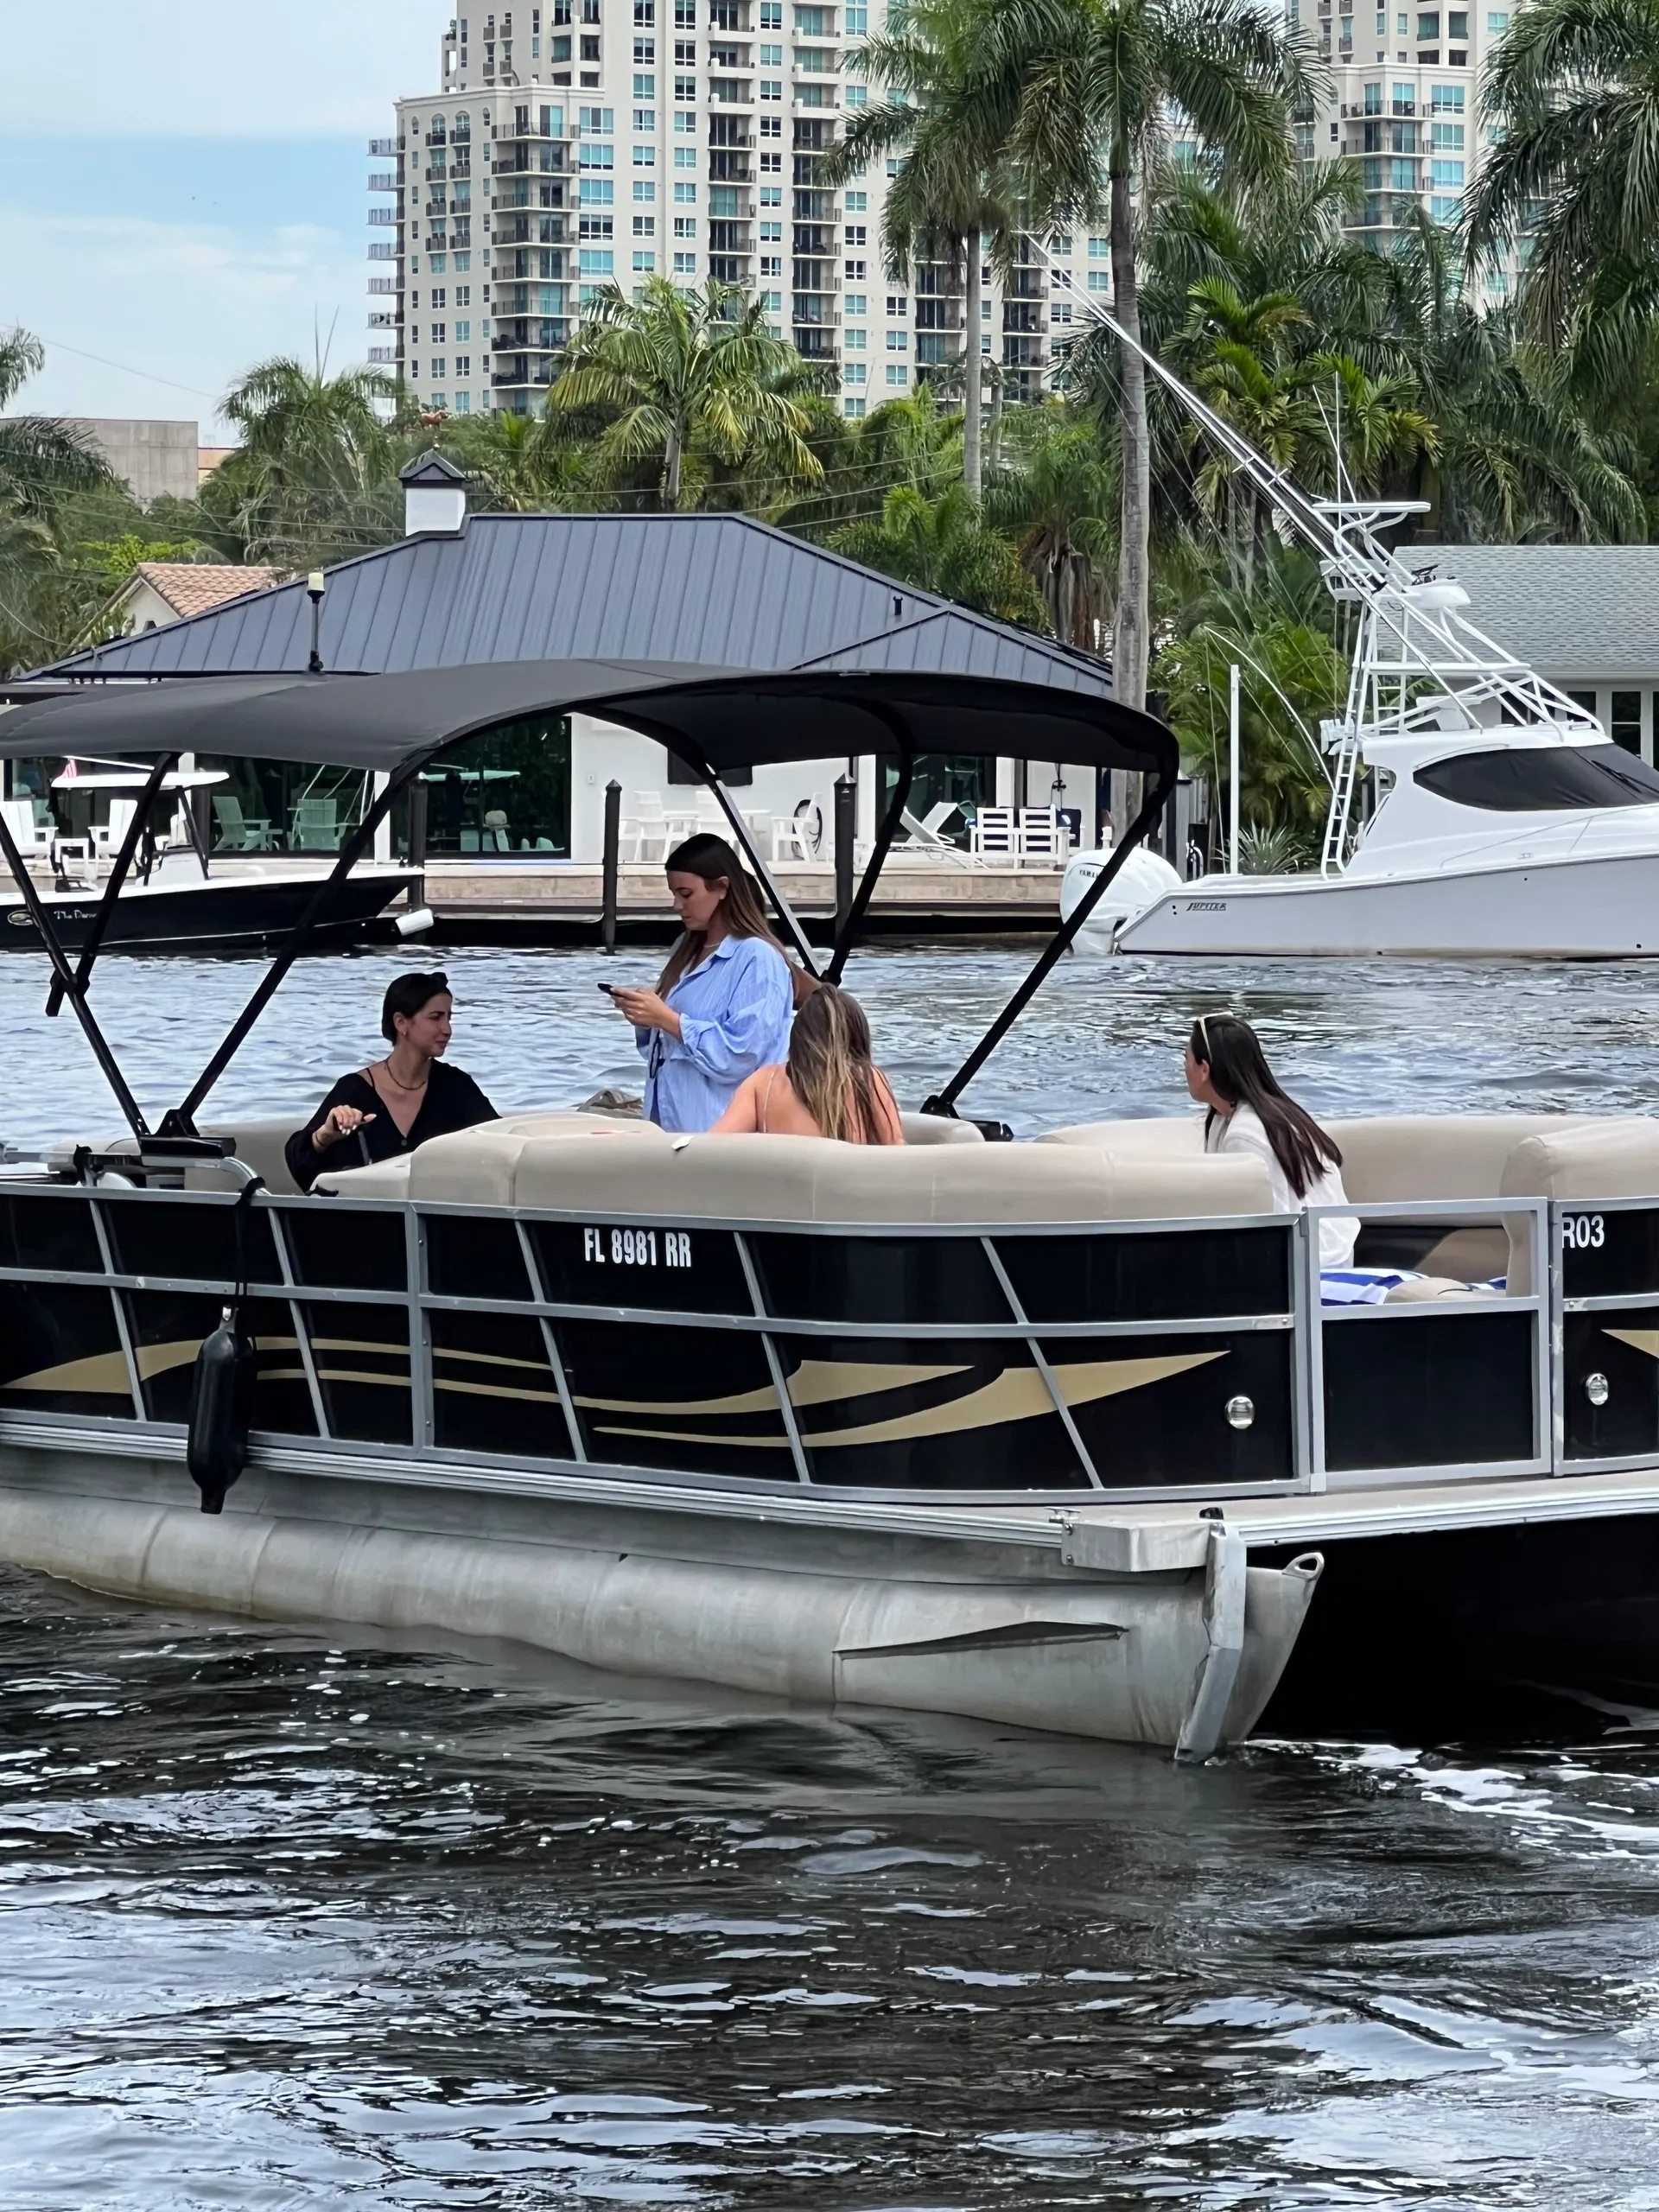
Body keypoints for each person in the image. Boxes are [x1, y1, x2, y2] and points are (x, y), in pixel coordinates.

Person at [606, 833, 796, 1133]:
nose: (677, 905)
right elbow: (663, 1054)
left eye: (686, 894)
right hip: (670, 1130)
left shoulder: (758, 958)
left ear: (721, 887)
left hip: (722, 1136)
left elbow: (744, 1057)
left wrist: (669, 1020)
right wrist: (645, 1018)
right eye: (674, 894)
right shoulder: (685, 948)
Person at [285, 971, 498, 1192]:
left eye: (448, 1018)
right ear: (401, 1022)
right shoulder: (355, 1089)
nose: (447, 1029)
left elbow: (499, 1141)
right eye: (436, 1018)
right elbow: (300, 1166)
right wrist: (324, 1137)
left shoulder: (456, 1088)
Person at [1185, 1012, 1359, 1268]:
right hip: (1323, 1250)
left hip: (1315, 1265)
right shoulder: (1237, 1115)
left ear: (1204, 1069)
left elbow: (1274, 1222)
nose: (1184, 1067)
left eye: (1186, 1058)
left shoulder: (1245, 1134)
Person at [711, 982, 905, 1143]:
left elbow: (714, 1145)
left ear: (799, 1034)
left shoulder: (762, 1083)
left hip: (783, 1187)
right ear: (857, 1037)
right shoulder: (867, 1078)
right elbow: (896, 1149)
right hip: (847, 1186)